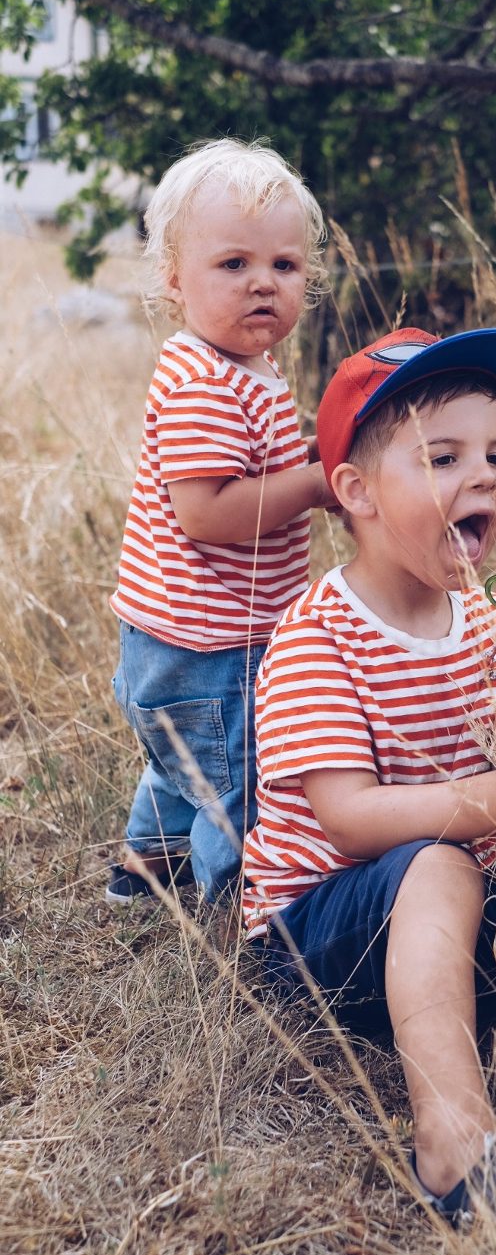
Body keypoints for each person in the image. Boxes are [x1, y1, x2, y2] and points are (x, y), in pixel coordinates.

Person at [242, 327, 496, 1221]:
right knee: (437, 865)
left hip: (451, 899)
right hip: (321, 931)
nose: (485, 478)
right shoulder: (316, 637)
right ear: (357, 492)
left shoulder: (480, 613)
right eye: (443, 458)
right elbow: (349, 820)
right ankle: (454, 1147)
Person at [106, 139, 333, 907]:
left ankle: (146, 866)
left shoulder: (244, 368)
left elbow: (253, 467)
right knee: (238, 776)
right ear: (174, 278)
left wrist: (310, 459)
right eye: (234, 264)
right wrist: (313, 485)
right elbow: (205, 512)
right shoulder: (206, 383)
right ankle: (239, 903)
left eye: (285, 265)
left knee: (182, 762)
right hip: (209, 646)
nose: (263, 283)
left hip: (170, 637)